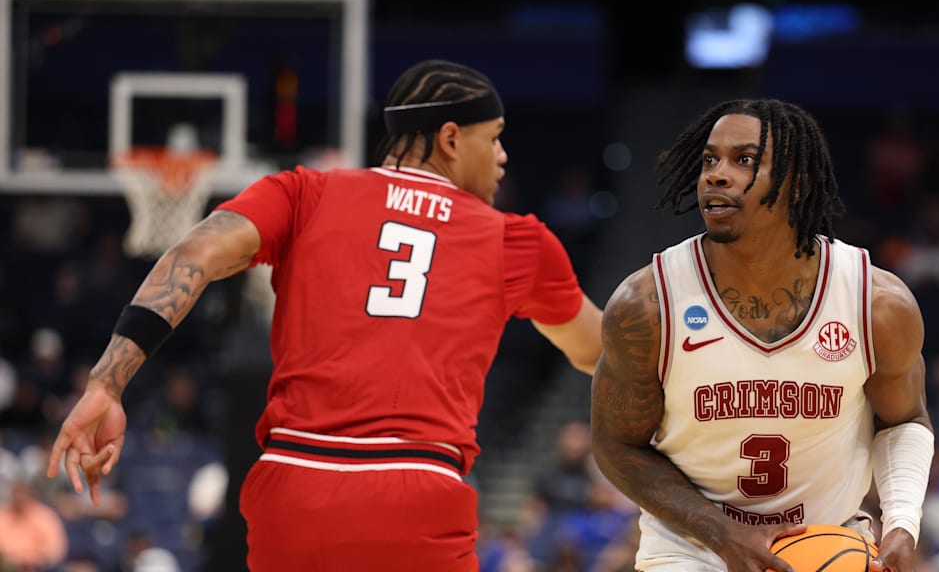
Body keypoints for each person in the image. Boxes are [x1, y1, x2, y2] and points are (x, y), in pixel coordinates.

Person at [46, 58, 604, 571]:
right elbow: (597, 352)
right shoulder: (516, 239)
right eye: (496, 139)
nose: (504, 156)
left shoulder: (303, 192)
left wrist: (106, 384)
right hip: (417, 492)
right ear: (451, 139)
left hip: (296, 485)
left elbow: (192, 255)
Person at [590, 99, 934, 572]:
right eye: (710, 159)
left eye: (744, 160)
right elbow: (616, 443)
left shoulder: (875, 304)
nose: (716, 174)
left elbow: (904, 420)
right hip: (694, 549)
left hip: (827, 542)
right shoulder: (647, 305)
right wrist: (723, 534)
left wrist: (901, 523)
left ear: (799, 185)